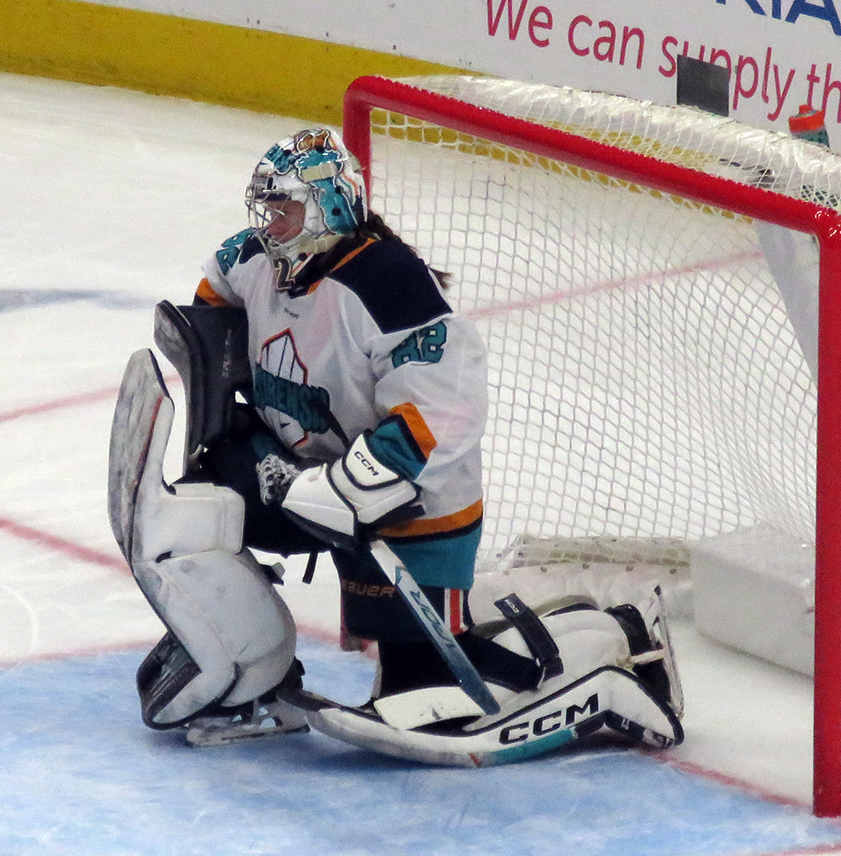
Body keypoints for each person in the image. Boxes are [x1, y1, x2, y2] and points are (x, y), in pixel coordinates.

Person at [111, 128, 684, 763]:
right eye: (267, 211)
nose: (271, 227)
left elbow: (444, 407)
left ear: (330, 208)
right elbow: (214, 295)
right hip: (305, 473)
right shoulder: (254, 257)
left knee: (431, 686)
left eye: (287, 211)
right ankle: (246, 676)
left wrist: (347, 486)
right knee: (204, 504)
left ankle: (620, 635)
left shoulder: (391, 286)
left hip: (414, 505)